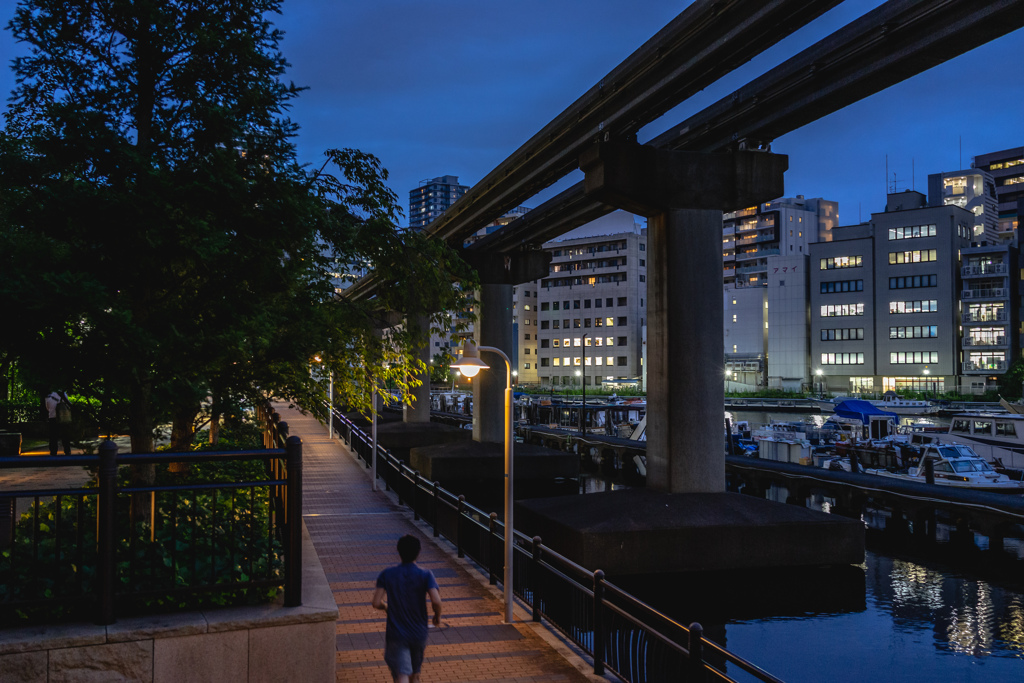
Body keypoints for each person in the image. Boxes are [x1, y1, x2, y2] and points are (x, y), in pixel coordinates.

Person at [372, 534, 442, 683]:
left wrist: (386, 607)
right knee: (414, 675)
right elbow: (436, 600)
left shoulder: (387, 574)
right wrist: (437, 616)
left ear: (398, 551)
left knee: (401, 673)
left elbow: (376, 602)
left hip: (396, 633)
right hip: (418, 633)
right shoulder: (425, 574)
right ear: (419, 552)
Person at [44, 390, 72, 456]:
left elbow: (47, 407)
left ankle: (53, 452)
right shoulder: (63, 394)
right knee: (65, 436)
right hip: (63, 417)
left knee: (53, 436)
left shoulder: (48, 396)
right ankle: (67, 451)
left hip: (52, 417)